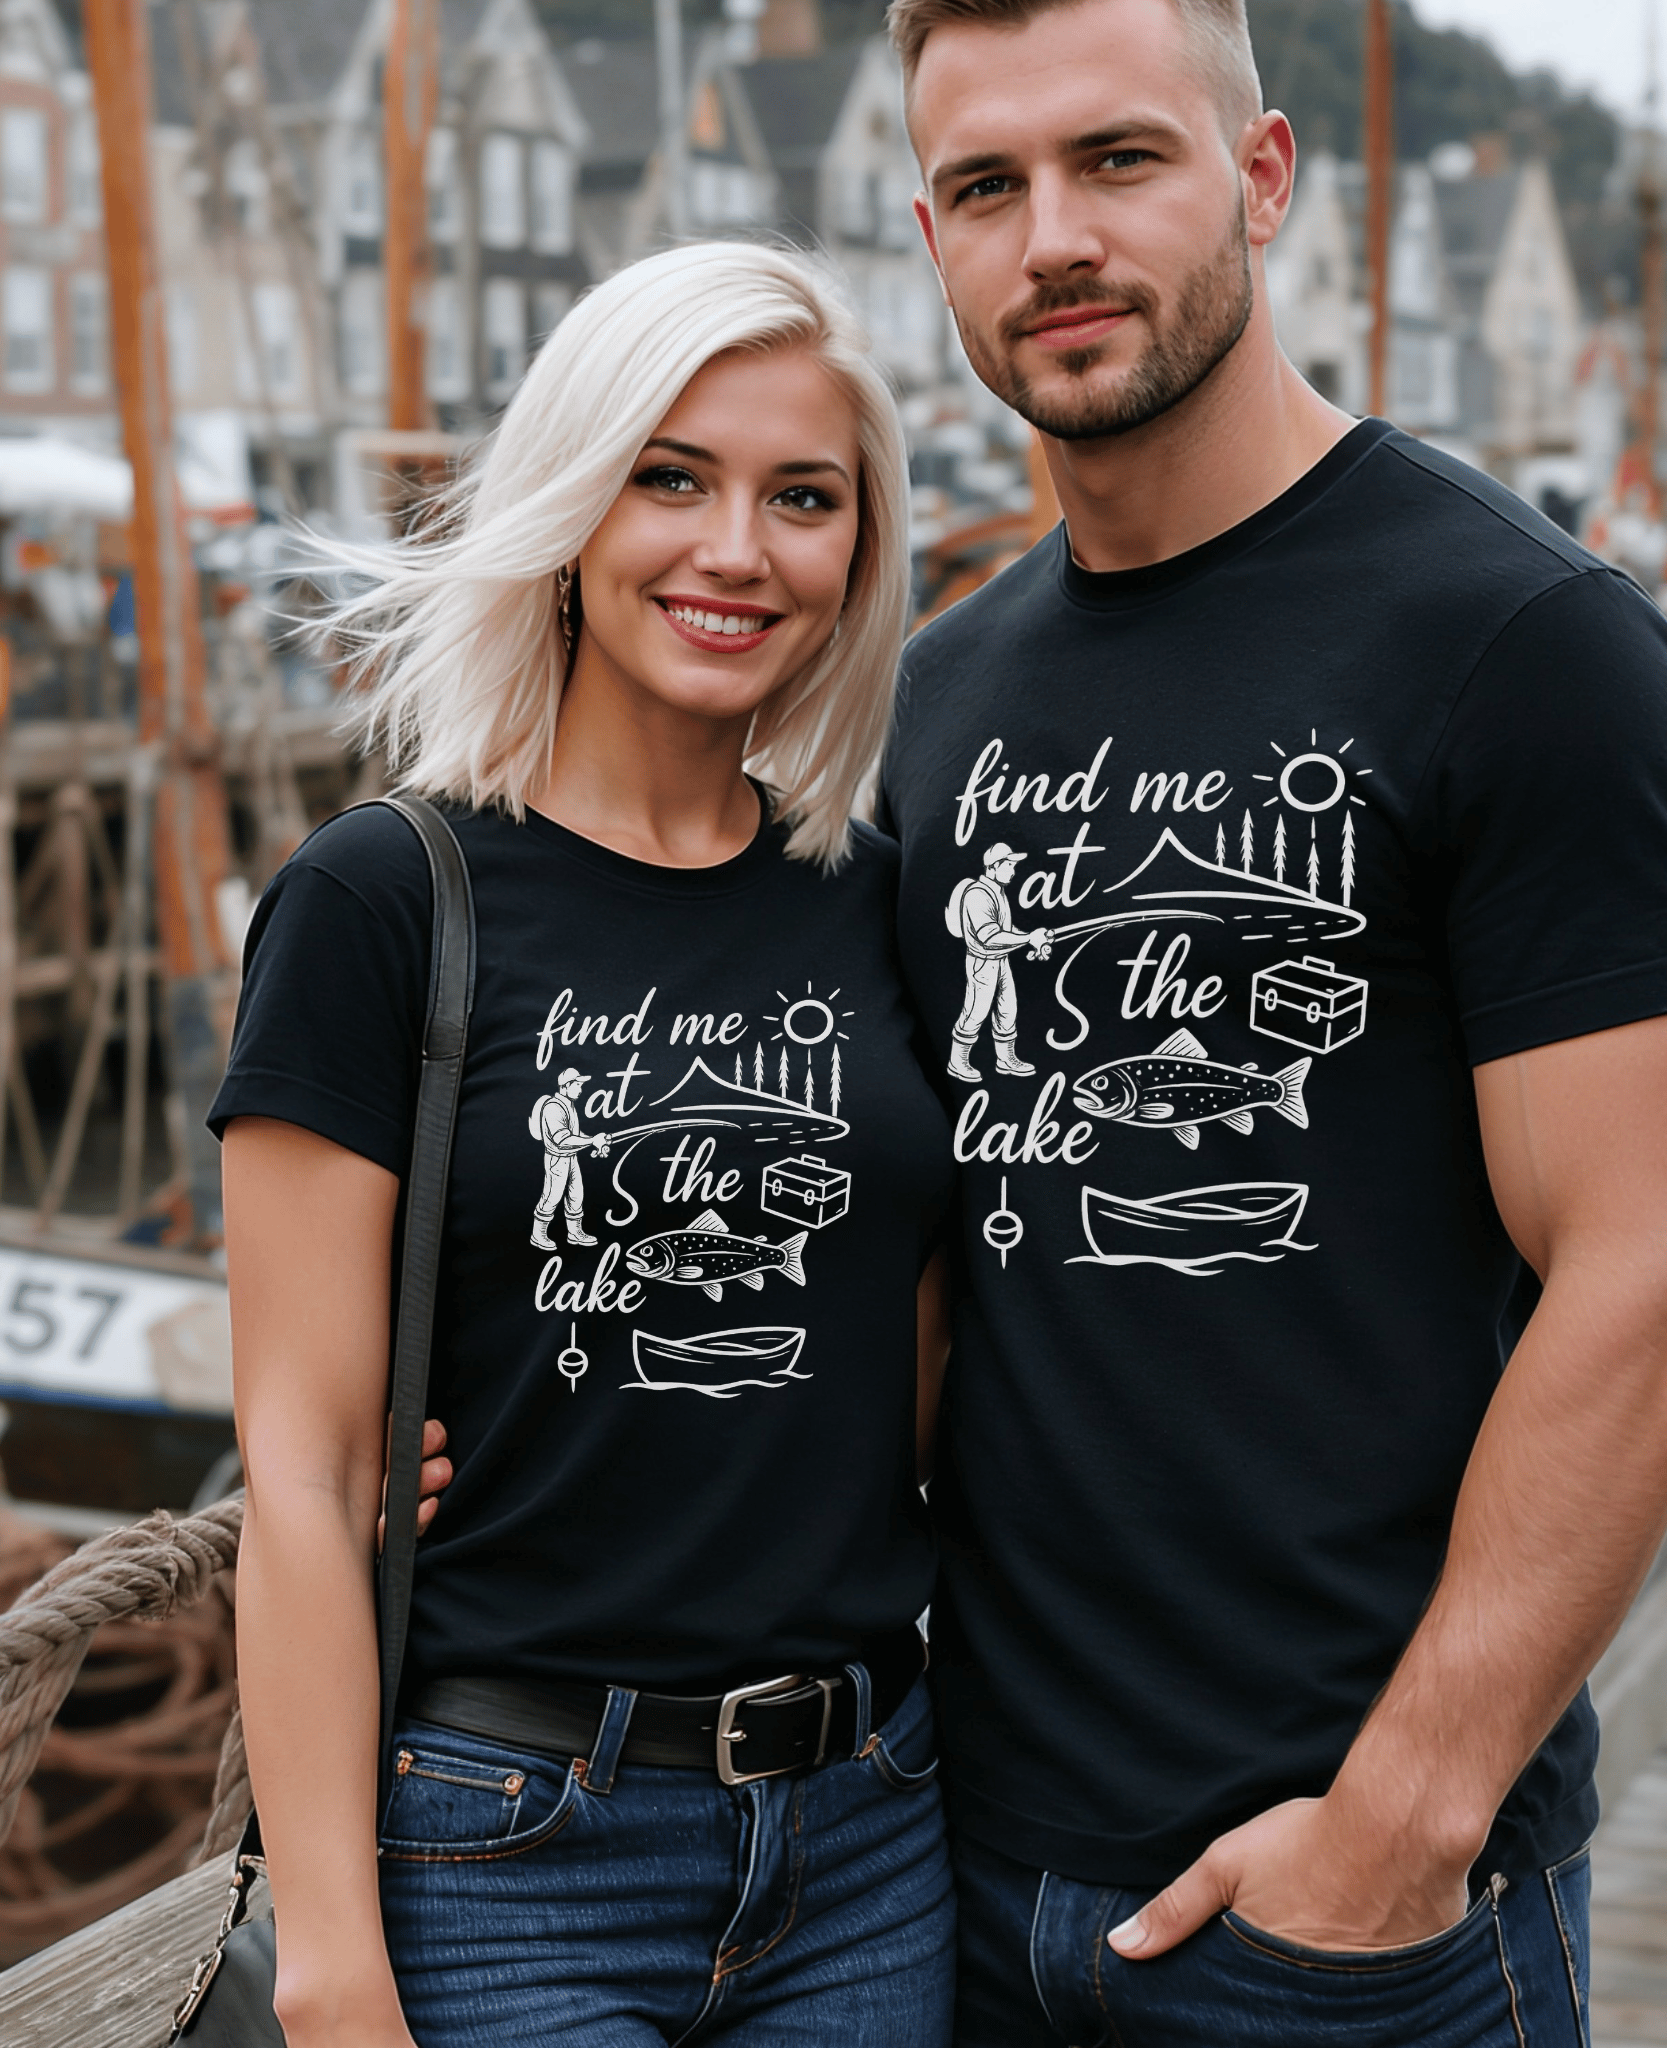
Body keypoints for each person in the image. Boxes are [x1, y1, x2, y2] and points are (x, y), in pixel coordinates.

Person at [873, 0, 1667, 2039]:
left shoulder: (1526, 644)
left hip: (1350, 1909)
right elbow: (903, 1245)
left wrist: (1397, 1829)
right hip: (956, 1858)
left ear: (1260, 178)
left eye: (1120, 161)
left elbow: (1659, 1278)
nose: (1053, 241)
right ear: (930, 236)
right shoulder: (937, 698)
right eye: (989, 188)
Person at [215, 244, 955, 2048]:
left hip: (865, 1824)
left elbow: (923, 1354)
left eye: (802, 497)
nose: (735, 549)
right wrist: (329, 1959)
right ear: (568, 502)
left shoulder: (875, 898)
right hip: (508, 1839)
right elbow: (302, 1471)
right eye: (669, 475)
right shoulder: (384, 896)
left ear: (857, 550)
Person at [947, 843, 1050, 1079]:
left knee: (1008, 1010)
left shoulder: (998, 893)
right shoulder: (977, 895)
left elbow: (1006, 929)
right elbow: (989, 937)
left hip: (1001, 961)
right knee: (975, 1012)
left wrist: (1032, 941)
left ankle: (1006, 1059)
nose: (1013, 871)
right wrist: (1027, 938)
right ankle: (958, 1061)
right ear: (993, 867)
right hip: (982, 963)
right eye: (1009, 865)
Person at [529, 1066, 610, 1249]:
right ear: (565, 1086)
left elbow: (575, 1133)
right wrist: (591, 1142)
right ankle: (538, 1235)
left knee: (576, 1195)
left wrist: (595, 1142)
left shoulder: (569, 1105)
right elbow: (562, 1140)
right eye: (577, 1085)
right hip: (557, 1159)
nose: (580, 1089)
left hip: (571, 1158)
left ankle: (575, 1233)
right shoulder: (553, 1107)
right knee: (552, 1196)